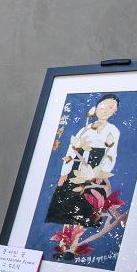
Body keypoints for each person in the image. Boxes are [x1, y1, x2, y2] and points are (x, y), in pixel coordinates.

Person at [44, 93, 121, 226]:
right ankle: (65, 235)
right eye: (102, 107)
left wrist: (101, 174)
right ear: (96, 108)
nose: (105, 110)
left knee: (88, 207)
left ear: (115, 111)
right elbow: (72, 150)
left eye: (110, 108)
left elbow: (111, 154)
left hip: (96, 170)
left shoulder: (113, 131)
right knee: (65, 204)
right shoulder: (85, 128)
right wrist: (64, 172)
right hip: (77, 167)